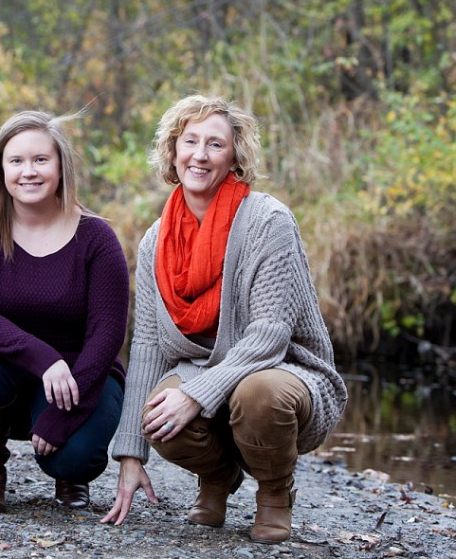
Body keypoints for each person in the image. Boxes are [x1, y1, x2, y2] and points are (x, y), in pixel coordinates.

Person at [101, 94, 347, 543]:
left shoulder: (267, 221)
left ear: (234, 155)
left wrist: (195, 396)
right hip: (204, 371)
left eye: (214, 144)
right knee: (158, 413)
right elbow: (149, 346)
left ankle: (275, 492)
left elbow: (270, 336)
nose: (200, 154)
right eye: (189, 141)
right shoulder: (156, 241)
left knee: (259, 393)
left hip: (285, 371)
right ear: (172, 152)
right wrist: (130, 454)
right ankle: (218, 475)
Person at [0, 111, 129, 512]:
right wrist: (44, 359)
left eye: (41, 160)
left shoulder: (97, 237)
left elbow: (108, 332)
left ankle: (69, 476)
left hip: (79, 378)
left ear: (61, 166)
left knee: (72, 457)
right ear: (1, 170)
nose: (28, 172)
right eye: (17, 161)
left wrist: (67, 413)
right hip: (4, 368)